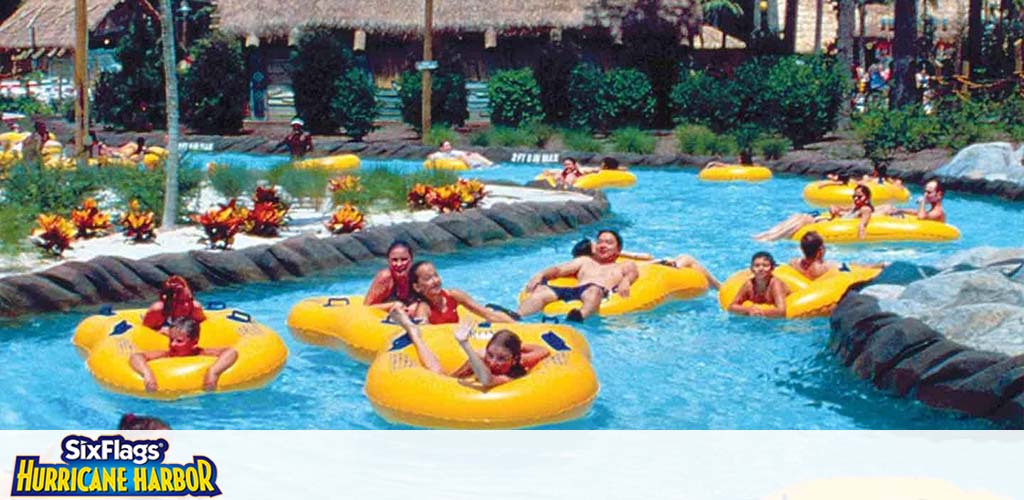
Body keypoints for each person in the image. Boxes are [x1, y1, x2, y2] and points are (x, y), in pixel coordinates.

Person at [388, 308, 549, 389]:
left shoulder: (511, 373)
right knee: (438, 374)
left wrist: (465, 344)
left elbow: (544, 351)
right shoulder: (481, 358)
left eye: (502, 358)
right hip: (463, 379)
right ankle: (413, 331)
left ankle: (413, 330)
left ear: (514, 360)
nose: (493, 362)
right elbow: (451, 379)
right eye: (491, 355)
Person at [518, 229, 639, 322]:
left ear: (618, 249)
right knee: (542, 290)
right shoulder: (585, 261)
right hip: (576, 290)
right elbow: (559, 270)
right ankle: (517, 317)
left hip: (595, 291)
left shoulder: (623, 265)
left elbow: (632, 273)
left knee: (594, 290)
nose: (602, 245)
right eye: (600, 242)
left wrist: (626, 281)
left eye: (608, 243)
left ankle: (579, 317)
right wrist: (540, 275)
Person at [129, 318, 238, 392]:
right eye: (171, 339)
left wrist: (213, 371)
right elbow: (136, 357)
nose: (172, 344)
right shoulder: (166, 355)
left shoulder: (201, 353)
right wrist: (147, 373)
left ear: (194, 342)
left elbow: (231, 352)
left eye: (179, 341)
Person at [571, 237, 721, 290]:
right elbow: (641, 265)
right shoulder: (600, 266)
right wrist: (659, 262)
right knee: (687, 258)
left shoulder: (610, 257)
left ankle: (718, 287)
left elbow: (646, 256)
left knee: (689, 261)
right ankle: (720, 287)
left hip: (650, 268)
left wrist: (619, 252)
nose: (601, 246)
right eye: (596, 246)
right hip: (649, 273)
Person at [406, 261, 518, 324]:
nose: (435, 281)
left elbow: (487, 314)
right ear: (417, 287)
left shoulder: (453, 295)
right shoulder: (424, 309)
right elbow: (426, 335)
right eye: (428, 278)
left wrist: (518, 327)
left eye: (436, 275)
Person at [754, 185, 875, 241]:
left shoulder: (865, 209)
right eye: (854, 196)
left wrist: (860, 240)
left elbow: (862, 224)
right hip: (826, 222)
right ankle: (769, 233)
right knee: (798, 216)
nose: (856, 199)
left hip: (825, 225)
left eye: (859, 197)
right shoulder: (854, 207)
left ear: (867, 197)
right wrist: (835, 210)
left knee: (802, 219)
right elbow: (839, 208)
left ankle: (772, 237)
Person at [729, 251, 789, 317]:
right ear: (751, 269)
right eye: (757, 266)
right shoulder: (749, 285)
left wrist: (761, 312)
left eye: (765, 265)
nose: (761, 268)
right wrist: (748, 310)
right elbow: (732, 306)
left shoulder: (775, 284)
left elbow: (782, 311)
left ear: (772, 268)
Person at [364, 241, 416, 308]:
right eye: (394, 260)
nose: (399, 264)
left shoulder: (417, 276)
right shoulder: (385, 278)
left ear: (411, 260)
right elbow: (367, 308)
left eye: (404, 259)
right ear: (388, 261)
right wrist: (392, 305)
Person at [877, 179, 946, 223]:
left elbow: (921, 217)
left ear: (939, 194)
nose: (925, 194)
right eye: (925, 191)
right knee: (888, 207)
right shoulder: (933, 210)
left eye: (929, 192)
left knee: (887, 210)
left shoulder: (938, 212)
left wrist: (923, 201)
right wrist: (900, 210)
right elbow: (916, 212)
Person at [428, 140, 493, 168]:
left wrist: (469, 153)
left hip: (457, 159)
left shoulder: (453, 152)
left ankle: (489, 163)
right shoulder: (439, 154)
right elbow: (430, 156)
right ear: (441, 148)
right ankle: (472, 165)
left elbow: (463, 153)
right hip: (452, 161)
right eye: (447, 146)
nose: (449, 147)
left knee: (474, 154)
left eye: (449, 145)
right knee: (462, 155)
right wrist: (432, 159)